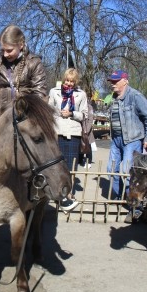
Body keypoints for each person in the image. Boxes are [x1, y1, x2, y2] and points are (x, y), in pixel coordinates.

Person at [0, 24, 76, 216]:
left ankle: (58, 193)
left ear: (21, 45)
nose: (5, 54)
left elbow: (40, 94)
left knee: (45, 148)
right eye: (3, 50)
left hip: (26, 118)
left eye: (9, 50)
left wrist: (21, 111)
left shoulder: (34, 63)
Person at [106, 69, 147, 223]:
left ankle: (135, 207)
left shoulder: (135, 96)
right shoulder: (113, 97)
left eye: (116, 81)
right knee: (111, 170)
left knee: (128, 173)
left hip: (132, 139)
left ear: (125, 81)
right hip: (116, 140)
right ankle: (120, 197)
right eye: (111, 81)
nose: (112, 84)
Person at [48, 69, 88, 212]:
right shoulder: (54, 92)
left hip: (73, 132)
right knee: (57, 164)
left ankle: (69, 193)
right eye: (67, 80)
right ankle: (58, 192)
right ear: (63, 79)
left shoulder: (81, 95)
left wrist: (71, 113)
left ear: (75, 82)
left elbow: (84, 115)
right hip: (58, 131)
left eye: (72, 81)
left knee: (71, 166)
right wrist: (58, 113)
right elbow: (49, 109)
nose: (69, 83)